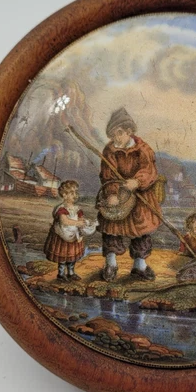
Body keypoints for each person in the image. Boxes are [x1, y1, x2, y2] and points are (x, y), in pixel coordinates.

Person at [98, 107, 162, 282]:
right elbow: (107, 175)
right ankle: (111, 264)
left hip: (140, 196)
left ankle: (139, 265)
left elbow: (149, 170)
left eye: (119, 133)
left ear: (129, 131)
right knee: (111, 227)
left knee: (141, 229)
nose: (116, 138)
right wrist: (112, 193)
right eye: (113, 134)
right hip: (118, 196)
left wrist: (137, 182)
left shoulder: (143, 149)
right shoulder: (110, 150)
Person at [43, 180, 91, 281]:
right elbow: (64, 221)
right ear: (64, 195)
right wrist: (77, 223)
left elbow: (80, 218)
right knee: (63, 256)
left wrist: (84, 222)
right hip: (62, 236)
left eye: (76, 192)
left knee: (72, 256)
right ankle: (61, 274)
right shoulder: (61, 209)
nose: (75, 195)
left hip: (74, 236)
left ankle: (71, 273)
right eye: (72, 193)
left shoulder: (77, 208)